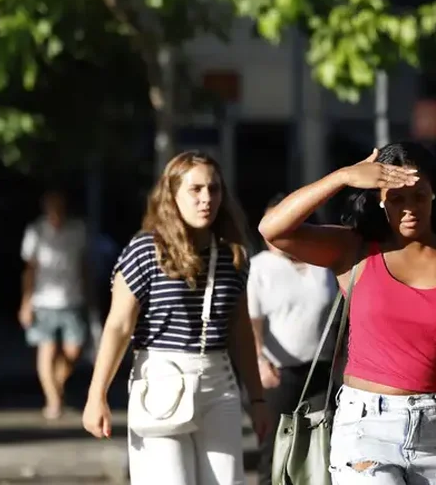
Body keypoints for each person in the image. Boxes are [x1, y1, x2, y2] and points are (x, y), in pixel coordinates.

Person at [258, 142, 436, 485]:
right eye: (396, 198)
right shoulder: (354, 252)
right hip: (366, 431)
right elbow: (273, 229)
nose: (409, 209)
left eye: (418, 196)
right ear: (380, 200)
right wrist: (343, 177)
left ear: (434, 194)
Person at [82, 151, 269, 485]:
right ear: (172, 195)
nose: (206, 199)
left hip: (218, 384)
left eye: (213, 189)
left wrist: (256, 399)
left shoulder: (233, 253)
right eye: (195, 190)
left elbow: (239, 330)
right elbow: (118, 326)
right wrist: (97, 395)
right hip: (160, 381)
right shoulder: (145, 250)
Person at [249, 193, 339, 485]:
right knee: (275, 451)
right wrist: (259, 362)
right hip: (278, 374)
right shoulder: (259, 267)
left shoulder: (321, 263)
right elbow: (251, 322)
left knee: (323, 446)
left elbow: (339, 314)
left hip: (321, 370)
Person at [18, 187, 90, 420]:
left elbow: (84, 265)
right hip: (43, 300)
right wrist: (26, 302)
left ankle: (56, 387)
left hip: (72, 298)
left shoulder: (78, 230)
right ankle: (53, 401)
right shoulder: (36, 231)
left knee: (74, 350)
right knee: (46, 350)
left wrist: (90, 296)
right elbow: (30, 270)